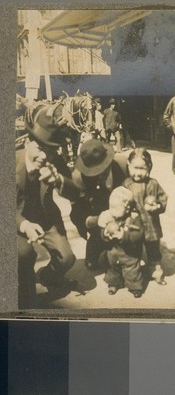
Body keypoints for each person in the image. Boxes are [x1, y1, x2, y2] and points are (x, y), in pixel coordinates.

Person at [16, 106, 76, 306]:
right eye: (41, 149)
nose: (45, 157)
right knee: (24, 254)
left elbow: (76, 191)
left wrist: (59, 180)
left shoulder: (54, 160)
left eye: (51, 151)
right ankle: (26, 302)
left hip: (45, 215)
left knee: (67, 258)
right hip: (16, 217)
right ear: (27, 142)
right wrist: (24, 225)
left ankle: (46, 277)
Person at [69, 138, 128, 270]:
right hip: (96, 213)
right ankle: (94, 249)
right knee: (98, 237)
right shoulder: (78, 177)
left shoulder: (123, 165)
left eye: (103, 169)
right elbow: (76, 211)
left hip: (121, 208)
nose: (100, 174)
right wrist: (93, 221)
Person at [86, 187, 144, 298]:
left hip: (128, 254)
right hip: (113, 252)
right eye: (111, 207)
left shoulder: (133, 219)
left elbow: (138, 234)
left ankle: (135, 287)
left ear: (127, 209)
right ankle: (114, 284)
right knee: (112, 269)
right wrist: (105, 234)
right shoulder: (109, 217)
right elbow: (102, 232)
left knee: (131, 270)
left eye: (116, 208)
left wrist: (124, 235)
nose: (112, 210)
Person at [123, 148, 168, 284]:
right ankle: (135, 272)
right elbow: (121, 201)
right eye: (135, 168)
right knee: (134, 248)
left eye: (142, 168)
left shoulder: (153, 183)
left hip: (151, 225)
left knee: (153, 248)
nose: (138, 173)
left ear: (149, 167)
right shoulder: (126, 184)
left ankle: (155, 270)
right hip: (134, 224)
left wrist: (157, 206)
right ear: (128, 165)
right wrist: (127, 211)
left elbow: (163, 197)